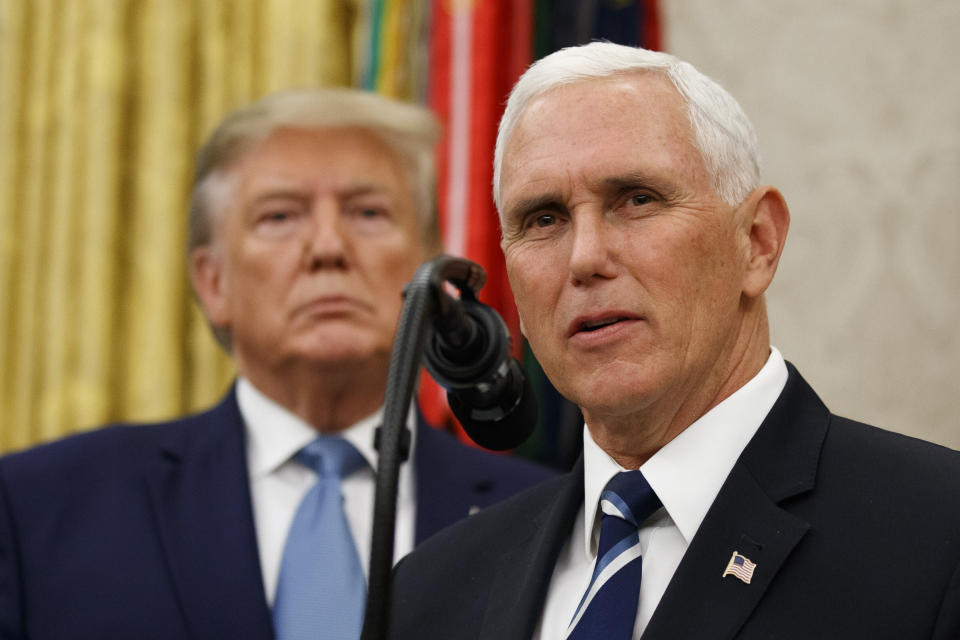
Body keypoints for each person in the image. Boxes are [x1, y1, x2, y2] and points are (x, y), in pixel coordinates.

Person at [388, 42, 960, 640]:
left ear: (757, 243)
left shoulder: (938, 536)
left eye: (637, 200)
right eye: (544, 219)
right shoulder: (432, 591)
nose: (584, 258)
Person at [0, 88, 555, 640]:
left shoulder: (549, 521)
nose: (327, 245)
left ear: (431, 269)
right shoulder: (41, 508)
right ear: (213, 282)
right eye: (280, 216)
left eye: (368, 212)